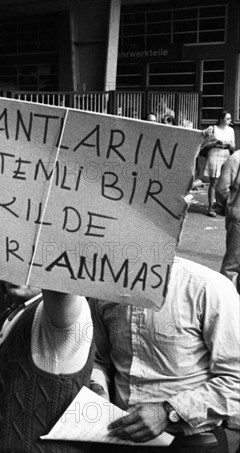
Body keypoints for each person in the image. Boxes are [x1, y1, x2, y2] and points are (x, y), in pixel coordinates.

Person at [89, 257, 240, 452]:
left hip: (191, 439)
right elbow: (99, 358)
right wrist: (98, 388)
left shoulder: (208, 288)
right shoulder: (103, 291)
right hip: (117, 434)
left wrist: (170, 411)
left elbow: (236, 379)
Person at [0, 284, 94, 453]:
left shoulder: (60, 316)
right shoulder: (12, 310)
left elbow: (62, 285)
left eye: (33, 261)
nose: (23, 270)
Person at [202, 110, 236, 217]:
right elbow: (204, 145)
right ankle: (210, 207)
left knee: (226, 182)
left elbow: (233, 146)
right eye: (227, 118)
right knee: (214, 182)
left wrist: (230, 144)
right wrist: (216, 142)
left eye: (230, 118)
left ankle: (221, 206)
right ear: (221, 119)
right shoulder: (213, 128)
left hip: (226, 154)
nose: (229, 120)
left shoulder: (231, 130)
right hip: (214, 153)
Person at [216, 152, 240, 292]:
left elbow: (222, 188)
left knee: (232, 265)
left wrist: (228, 206)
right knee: (232, 265)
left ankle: (230, 306)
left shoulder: (236, 158)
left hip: (237, 213)